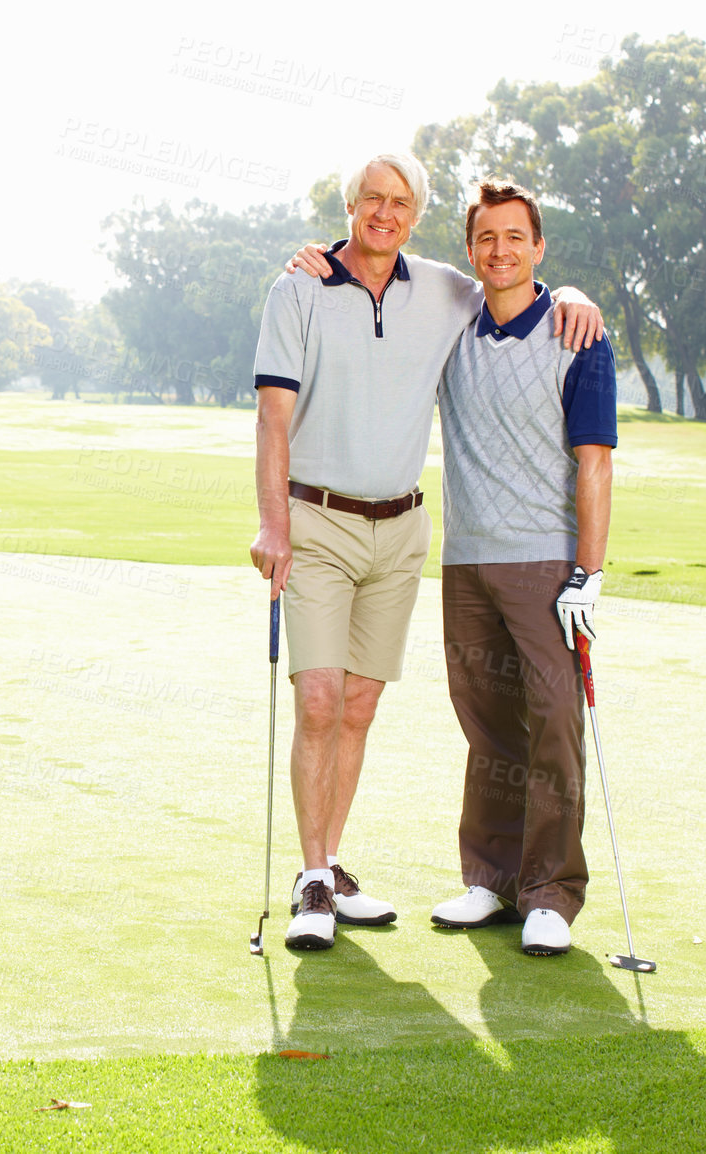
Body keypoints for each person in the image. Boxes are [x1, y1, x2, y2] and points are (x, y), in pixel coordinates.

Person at [250, 154, 603, 951]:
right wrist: (272, 525)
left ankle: (335, 865)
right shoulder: (299, 287)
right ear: (347, 206)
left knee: (363, 704)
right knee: (319, 700)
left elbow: (517, 286)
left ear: (416, 216)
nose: (385, 212)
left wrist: (575, 295)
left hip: (402, 529)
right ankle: (312, 879)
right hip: (318, 522)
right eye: (371, 198)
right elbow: (274, 418)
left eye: (401, 201)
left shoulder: (444, 290)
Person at [426, 180, 616, 956]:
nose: (499, 250)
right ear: (470, 251)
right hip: (466, 560)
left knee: (554, 727)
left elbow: (595, 464)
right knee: (488, 725)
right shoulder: (451, 326)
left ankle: (550, 893)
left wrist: (589, 574)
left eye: (515, 237)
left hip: (545, 562)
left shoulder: (579, 335)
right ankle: (492, 878)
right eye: (484, 239)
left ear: (538, 247)